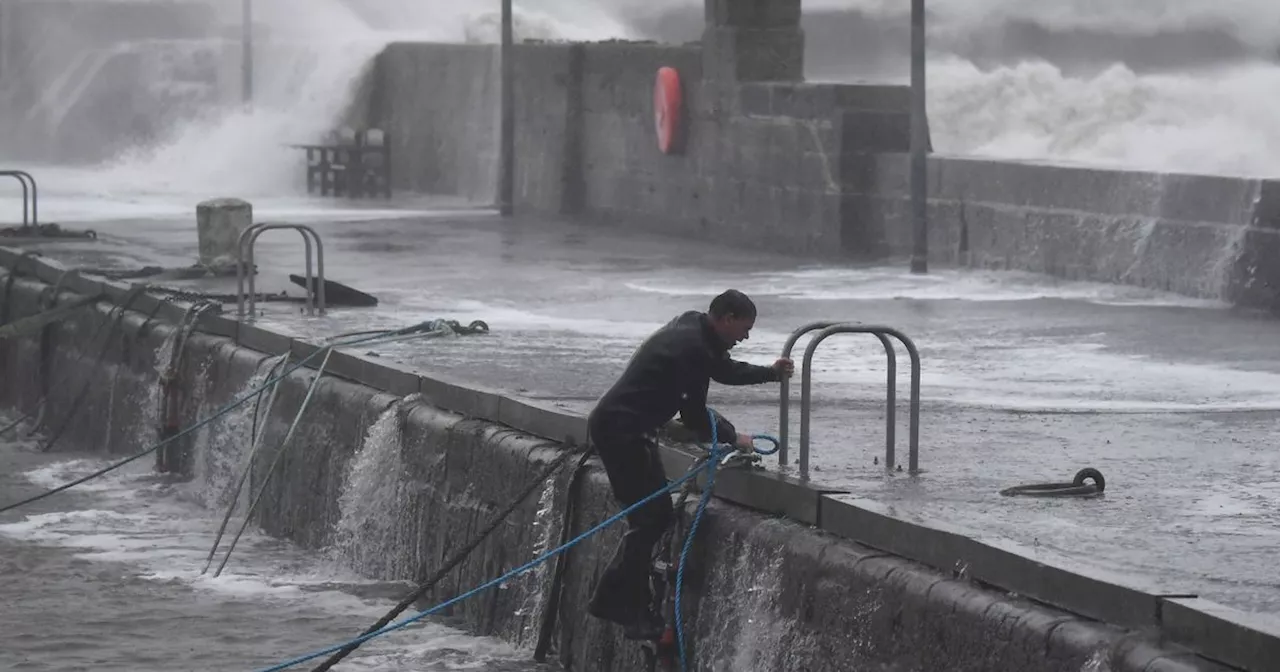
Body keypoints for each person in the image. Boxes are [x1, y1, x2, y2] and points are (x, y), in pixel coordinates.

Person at [585, 289, 794, 640]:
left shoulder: (693, 328)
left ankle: (621, 601)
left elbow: (720, 369)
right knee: (650, 518)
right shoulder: (691, 346)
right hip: (622, 431)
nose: (746, 336)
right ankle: (620, 605)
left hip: (628, 427)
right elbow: (695, 414)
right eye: (744, 328)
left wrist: (770, 374)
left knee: (653, 517)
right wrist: (732, 436)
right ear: (726, 318)